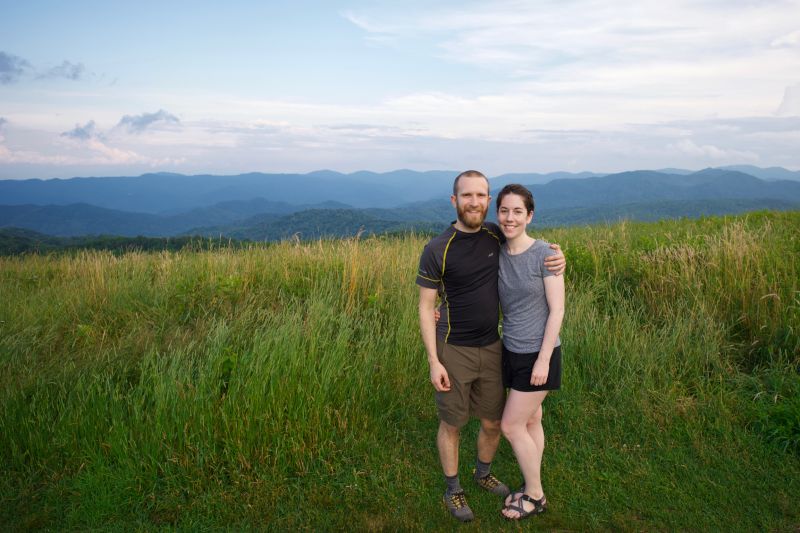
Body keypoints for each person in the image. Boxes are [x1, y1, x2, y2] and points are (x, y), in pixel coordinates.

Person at [416, 171, 566, 522]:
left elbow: (529, 245)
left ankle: (483, 473)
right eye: (467, 195)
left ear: (488, 200)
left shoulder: (494, 234)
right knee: (452, 423)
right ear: (454, 201)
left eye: (481, 195)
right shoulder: (437, 248)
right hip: (453, 348)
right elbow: (425, 306)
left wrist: (560, 257)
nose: (474, 202)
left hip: (495, 347)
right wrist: (433, 361)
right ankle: (454, 489)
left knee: (494, 422)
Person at [495, 184, 565, 520]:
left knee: (510, 425)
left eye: (517, 211)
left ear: (530, 215)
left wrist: (543, 358)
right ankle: (531, 480)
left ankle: (535, 495)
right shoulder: (497, 249)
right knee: (532, 419)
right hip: (510, 350)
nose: (510, 218)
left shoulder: (545, 255)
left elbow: (558, 310)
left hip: (539, 355)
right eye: (504, 211)